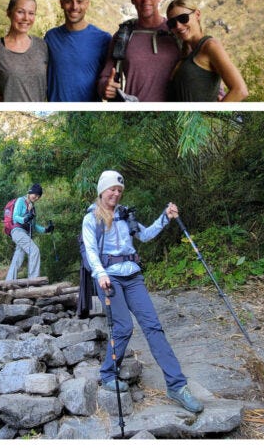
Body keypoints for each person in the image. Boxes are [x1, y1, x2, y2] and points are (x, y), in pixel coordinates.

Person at [81, 170, 204, 414]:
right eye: (111, 189)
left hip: (133, 275)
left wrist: (165, 218)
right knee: (124, 327)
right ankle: (108, 373)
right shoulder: (91, 218)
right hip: (108, 277)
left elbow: (145, 236)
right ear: (101, 191)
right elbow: (91, 250)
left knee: (153, 327)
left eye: (119, 190)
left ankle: (177, 386)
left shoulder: (126, 215)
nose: (115, 193)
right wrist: (101, 273)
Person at [97, 0, 179, 102]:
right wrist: (105, 87)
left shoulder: (176, 32)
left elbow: (199, 66)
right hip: (133, 116)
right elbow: (105, 77)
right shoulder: (122, 36)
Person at [165, 0, 249, 102]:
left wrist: (212, 114)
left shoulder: (210, 46)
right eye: (172, 23)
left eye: (183, 18)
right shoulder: (188, 53)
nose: (178, 26)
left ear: (197, 14)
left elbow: (240, 90)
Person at [44, 0, 112, 101]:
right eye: (69, 1)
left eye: (80, 1)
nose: (74, 7)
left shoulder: (104, 39)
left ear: (87, 4)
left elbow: (107, 80)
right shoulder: (50, 37)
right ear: (61, 4)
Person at [5, 183, 54, 280]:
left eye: (38, 197)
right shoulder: (21, 201)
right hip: (18, 231)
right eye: (35, 195)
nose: (36, 198)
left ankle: (8, 282)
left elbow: (33, 225)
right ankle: (33, 280)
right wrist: (25, 218)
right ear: (30, 192)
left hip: (25, 233)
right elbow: (15, 217)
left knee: (17, 259)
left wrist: (46, 229)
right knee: (34, 251)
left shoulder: (32, 207)